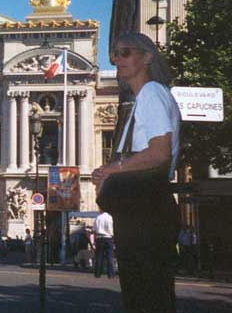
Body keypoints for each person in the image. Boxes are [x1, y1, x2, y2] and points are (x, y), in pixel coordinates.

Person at [92, 33, 180, 313]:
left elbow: (159, 153)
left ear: (147, 57)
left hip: (145, 208)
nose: (117, 59)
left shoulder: (152, 92)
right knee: (145, 295)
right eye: (114, 54)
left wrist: (113, 168)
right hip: (142, 209)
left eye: (126, 52)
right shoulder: (144, 98)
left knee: (145, 296)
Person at [93, 211, 115, 278]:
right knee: (109, 257)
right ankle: (110, 274)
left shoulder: (97, 218)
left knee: (99, 256)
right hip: (108, 238)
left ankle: (97, 274)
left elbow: (94, 229)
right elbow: (111, 230)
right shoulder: (110, 218)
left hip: (99, 238)